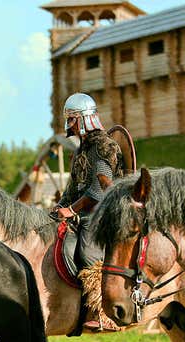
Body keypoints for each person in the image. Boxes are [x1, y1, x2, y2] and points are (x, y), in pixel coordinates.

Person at [53, 92, 124, 269]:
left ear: (84, 119)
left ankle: (99, 293)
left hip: (100, 215)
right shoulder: (81, 149)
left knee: (88, 256)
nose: (69, 125)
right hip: (81, 213)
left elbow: (97, 191)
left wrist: (70, 209)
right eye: (68, 120)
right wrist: (61, 205)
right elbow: (74, 186)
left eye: (72, 120)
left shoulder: (104, 146)